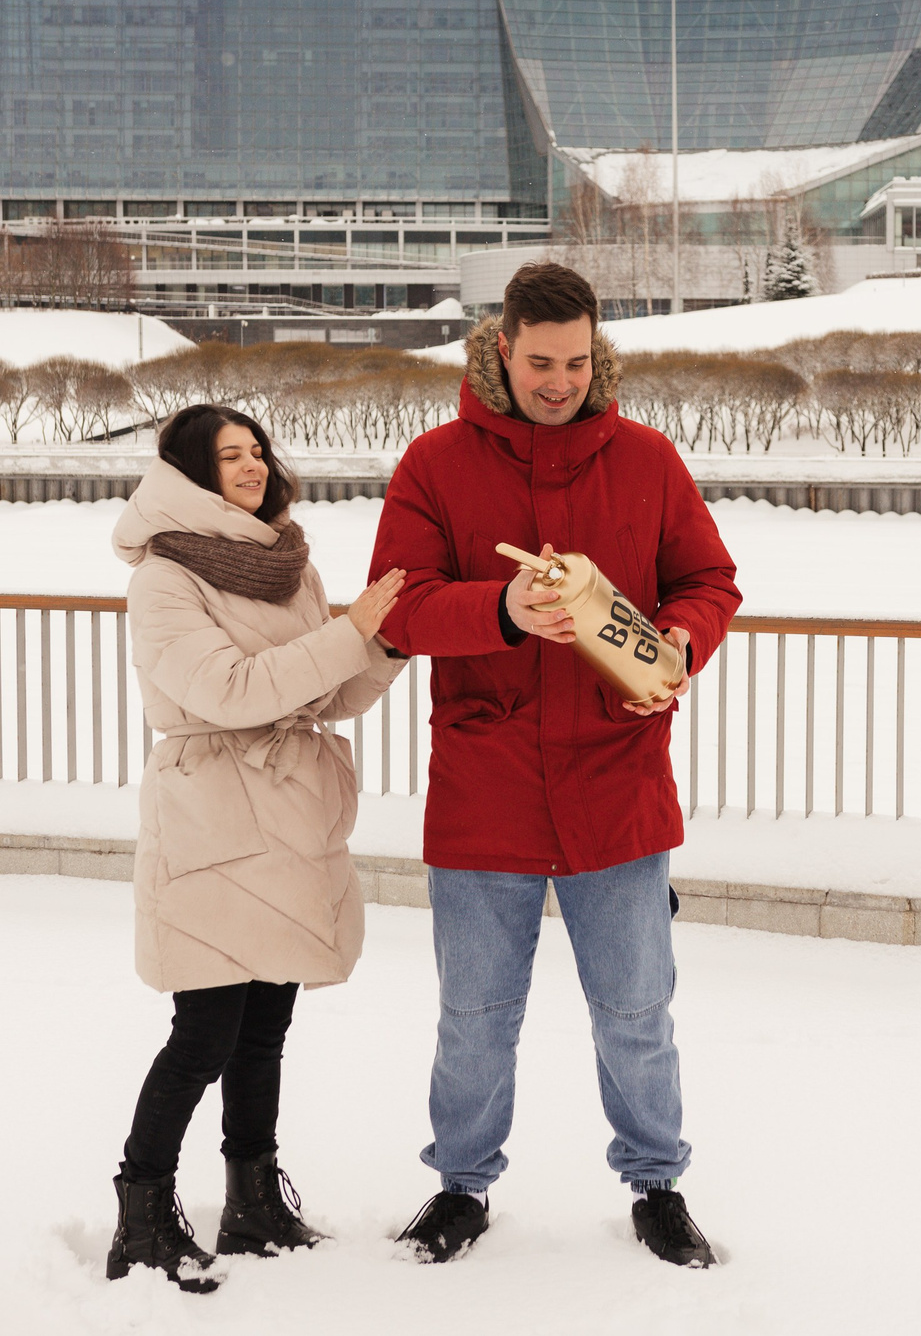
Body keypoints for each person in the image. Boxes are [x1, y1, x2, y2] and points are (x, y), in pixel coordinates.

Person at [369, 261, 741, 1268]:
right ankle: (460, 1182)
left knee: (636, 1008)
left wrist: (671, 641)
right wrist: (496, 610)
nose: (560, 380)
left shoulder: (649, 459)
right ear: (501, 348)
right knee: (475, 1015)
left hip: (617, 788)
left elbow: (710, 581)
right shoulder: (434, 464)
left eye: (577, 362)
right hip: (485, 790)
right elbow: (396, 608)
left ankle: (657, 1181)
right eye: (540, 362)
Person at [104, 403, 410, 1293]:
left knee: (266, 1027)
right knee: (203, 1031)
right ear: (191, 475)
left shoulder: (287, 563)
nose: (250, 465)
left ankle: (251, 1201)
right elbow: (230, 690)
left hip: (285, 818)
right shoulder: (164, 578)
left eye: (257, 450)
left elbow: (326, 694)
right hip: (212, 820)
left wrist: (382, 642)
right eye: (229, 455)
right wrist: (349, 633)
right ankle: (143, 1211)